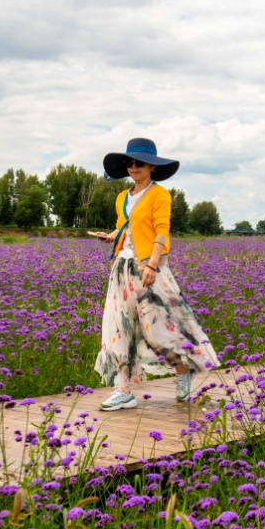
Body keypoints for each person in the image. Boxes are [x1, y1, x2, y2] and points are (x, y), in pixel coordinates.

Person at [90, 138, 219, 410]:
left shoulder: (159, 194)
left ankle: (182, 371)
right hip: (122, 269)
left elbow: (161, 230)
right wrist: (111, 236)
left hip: (150, 268)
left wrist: (152, 266)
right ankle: (123, 390)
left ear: (152, 166)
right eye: (130, 163)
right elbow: (125, 227)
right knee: (118, 328)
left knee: (159, 329)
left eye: (140, 163)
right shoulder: (122, 197)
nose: (134, 167)